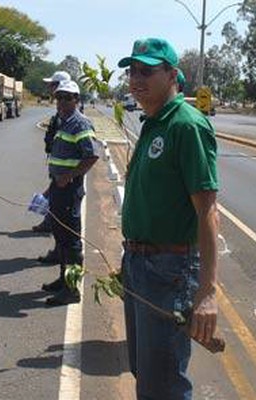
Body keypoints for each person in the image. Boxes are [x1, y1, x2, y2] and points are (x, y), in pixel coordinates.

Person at [118, 38, 219, 399]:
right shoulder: (152, 123)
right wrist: (129, 259)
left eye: (147, 70)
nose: (135, 78)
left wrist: (206, 294)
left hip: (168, 269)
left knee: (163, 387)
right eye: (132, 71)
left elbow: (208, 211)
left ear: (173, 74)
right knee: (146, 374)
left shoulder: (186, 126)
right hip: (138, 264)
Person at [42, 80, 100, 306]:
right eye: (59, 97)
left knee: (71, 240)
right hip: (58, 188)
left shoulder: (80, 124)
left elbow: (92, 155)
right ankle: (63, 279)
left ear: (77, 100)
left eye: (68, 97)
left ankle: (72, 289)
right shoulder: (63, 123)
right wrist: (52, 186)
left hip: (69, 190)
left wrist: (70, 176)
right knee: (61, 238)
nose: (62, 102)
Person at [32, 71, 71, 234]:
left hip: (65, 168)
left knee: (57, 197)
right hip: (58, 164)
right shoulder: (59, 113)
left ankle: (53, 225)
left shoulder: (68, 115)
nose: (50, 89)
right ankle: (51, 223)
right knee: (54, 194)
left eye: (53, 85)